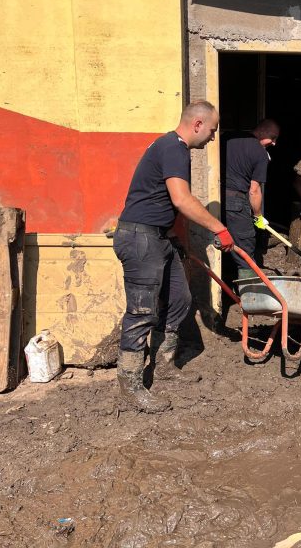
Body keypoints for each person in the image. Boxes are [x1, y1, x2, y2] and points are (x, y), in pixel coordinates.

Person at [113, 100, 234, 413]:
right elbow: (181, 199)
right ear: (197, 124)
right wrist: (219, 228)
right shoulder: (173, 147)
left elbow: (164, 202)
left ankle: (164, 365)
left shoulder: (172, 148)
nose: (212, 137)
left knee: (180, 299)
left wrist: (174, 239)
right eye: (212, 130)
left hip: (158, 237)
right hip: (140, 238)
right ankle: (131, 384)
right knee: (142, 311)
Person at [224, 118, 279, 279]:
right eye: (273, 137)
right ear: (261, 132)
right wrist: (258, 216)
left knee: (223, 240)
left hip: (218, 198)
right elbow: (254, 191)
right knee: (245, 250)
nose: (274, 143)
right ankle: (249, 292)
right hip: (236, 202)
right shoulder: (260, 154)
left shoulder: (228, 138)